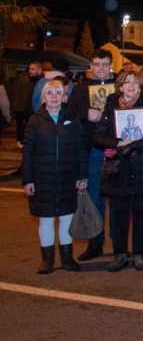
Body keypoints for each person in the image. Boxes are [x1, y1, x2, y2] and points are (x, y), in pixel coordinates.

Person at [93, 71, 143, 271]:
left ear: (140, 87)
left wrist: (137, 145)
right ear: (120, 87)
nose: (131, 85)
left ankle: (139, 254)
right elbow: (98, 136)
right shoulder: (110, 106)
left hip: (142, 166)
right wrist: (118, 142)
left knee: (140, 213)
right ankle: (119, 254)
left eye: (135, 82)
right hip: (118, 168)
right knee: (118, 214)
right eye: (127, 82)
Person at [22, 78, 89, 274]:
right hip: (43, 180)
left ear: (64, 97)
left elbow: (81, 149)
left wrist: (82, 175)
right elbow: (27, 153)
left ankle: (67, 259)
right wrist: (27, 179)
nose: (53, 97)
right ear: (44, 96)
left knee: (67, 218)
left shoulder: (73, 120)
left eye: (58, 93)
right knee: (46, 220)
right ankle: (47, 260)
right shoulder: (34, 121)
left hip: (68, 178)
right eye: (49, 93)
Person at [67, 50, 117, 262]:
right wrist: (84, 114)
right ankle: (96, 243)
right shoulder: (81, 90)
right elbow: (68, 114)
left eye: (105, 64)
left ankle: (120, 245)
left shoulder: (121, 86)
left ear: (111, 65)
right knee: (95, 199)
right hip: (93, 151)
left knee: (117, 200)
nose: (101, 68)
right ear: (91, 65)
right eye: (97, 64)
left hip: (117, 150)